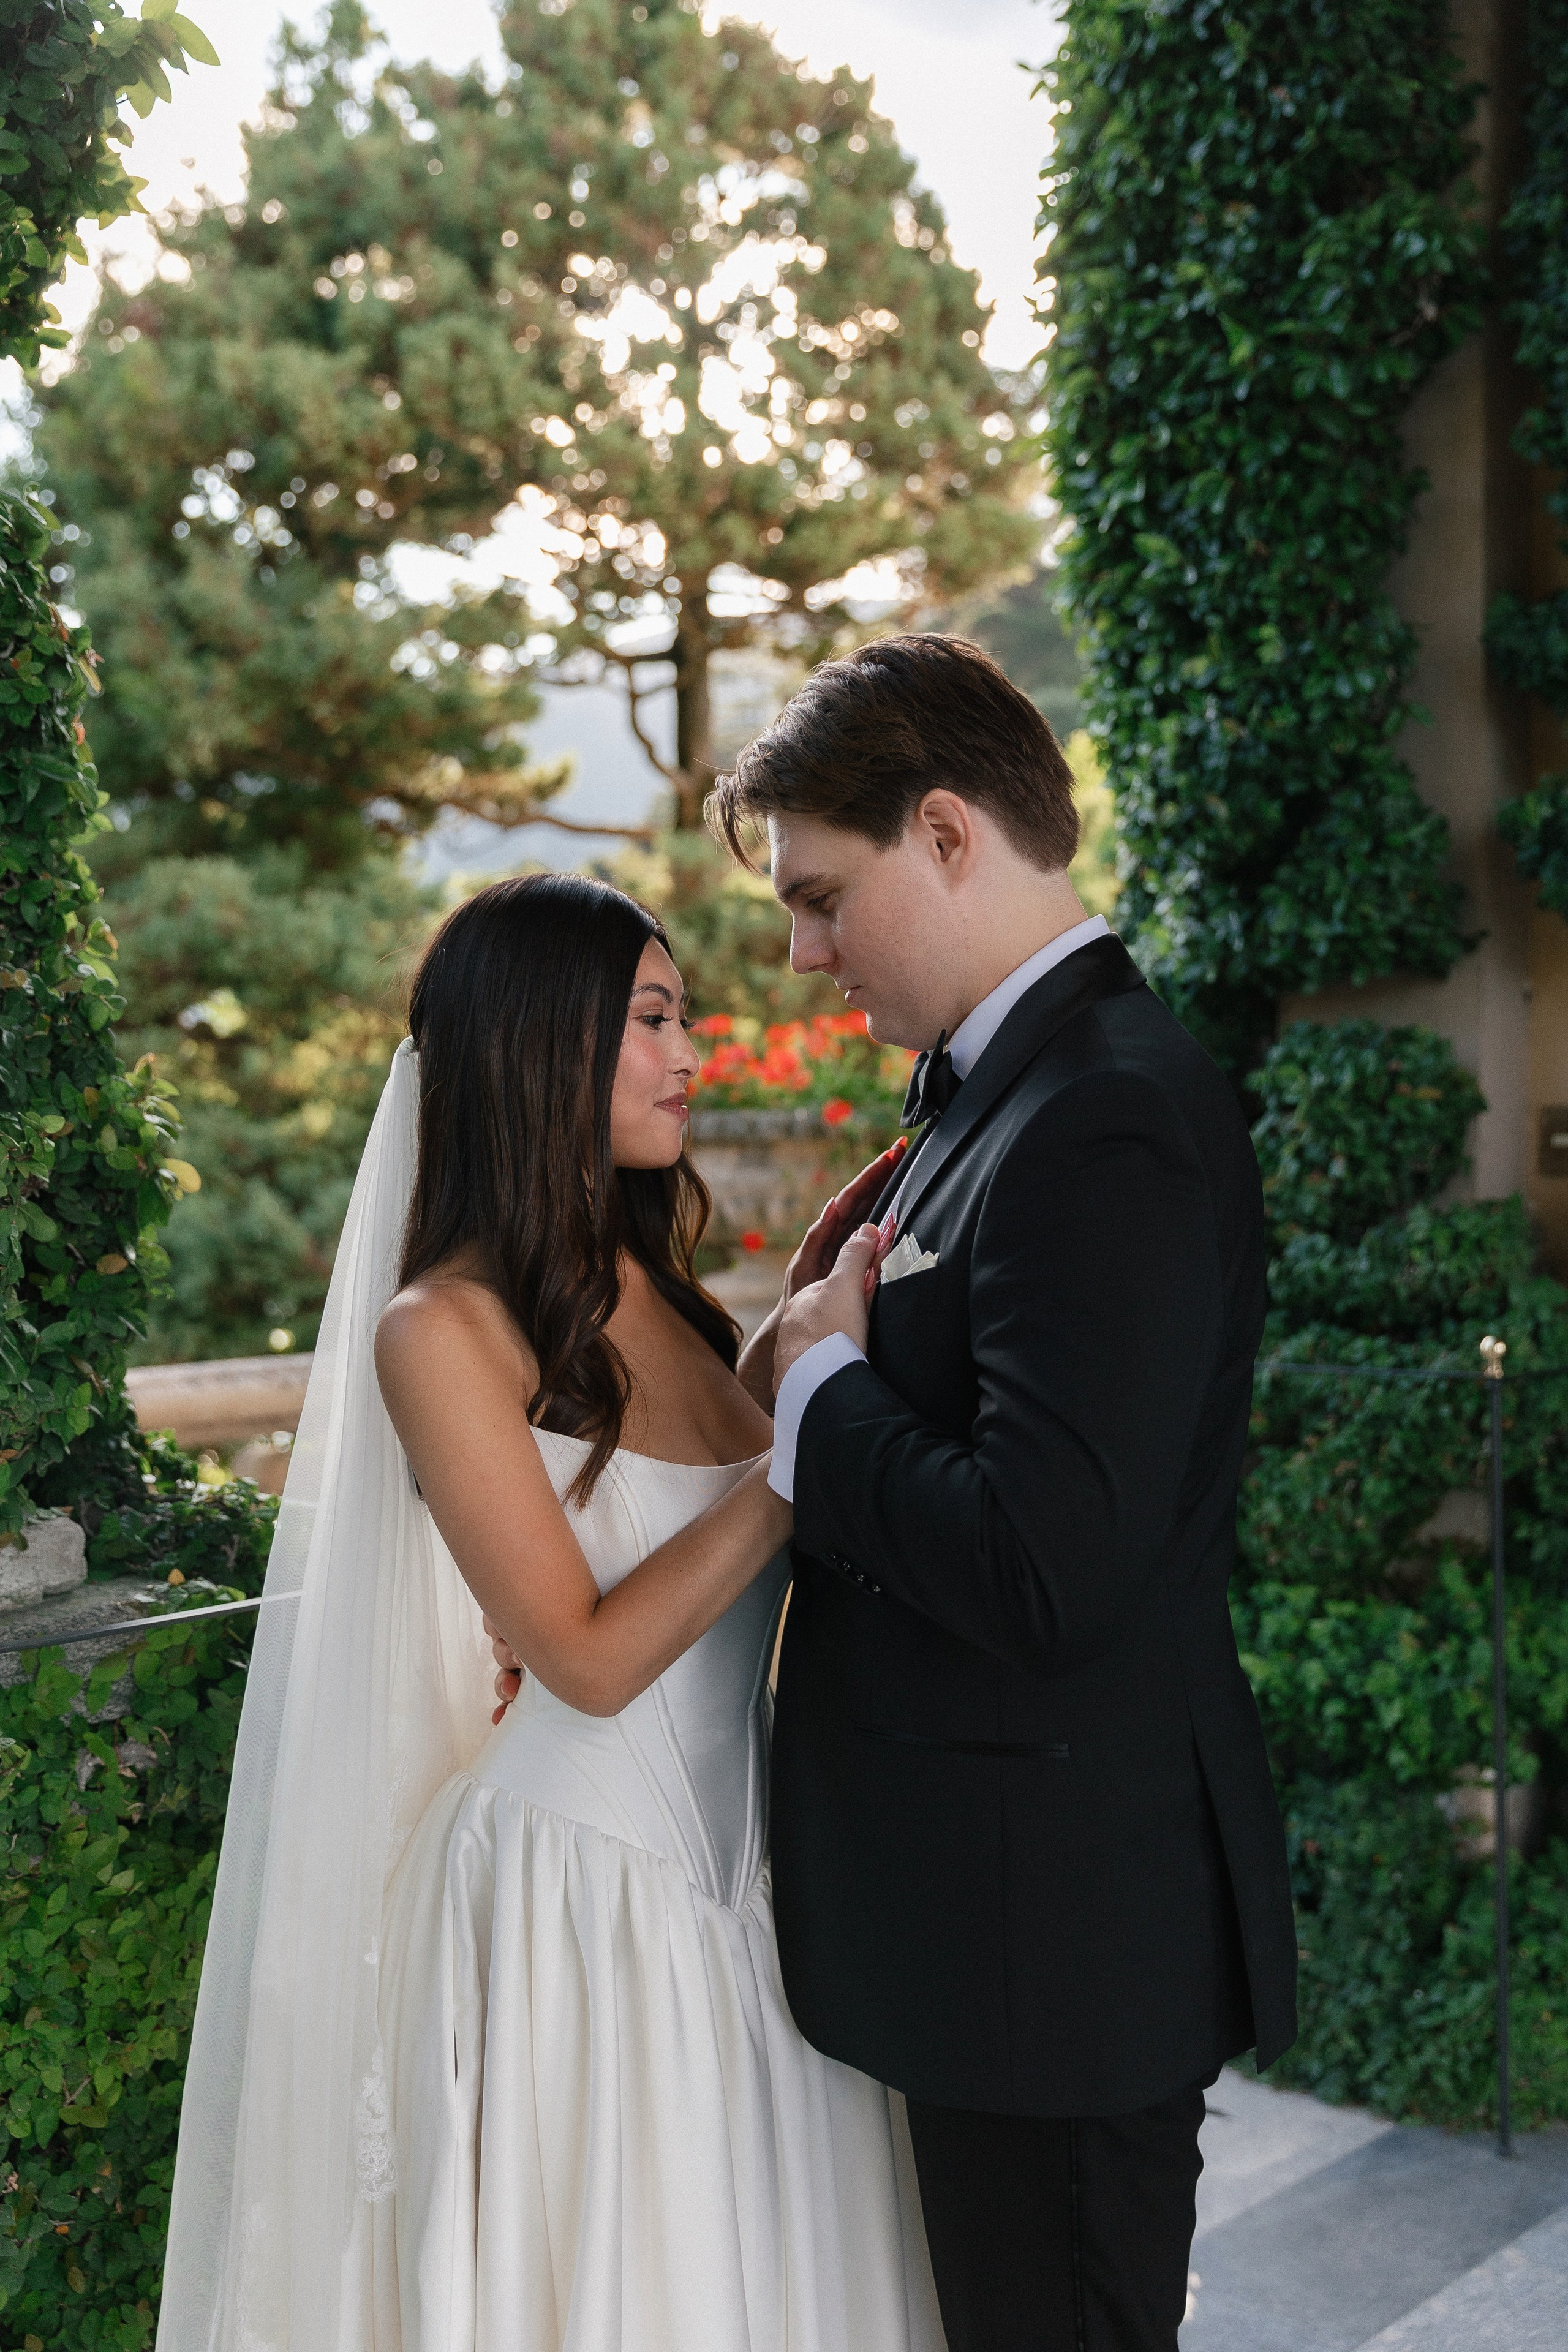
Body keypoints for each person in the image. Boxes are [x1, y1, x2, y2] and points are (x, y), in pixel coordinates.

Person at [156, 874, 944, 2352]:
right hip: (575, 1907)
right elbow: (581, 1657)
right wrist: (802, 1457)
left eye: (684, 1017)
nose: (689, 1053)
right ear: (538, 1040)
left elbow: (715, 1521)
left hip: (751, 1897)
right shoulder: (436, 1329)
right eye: (651, 1017)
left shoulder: (670, 1293)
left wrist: (797, 1340)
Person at [699, 634, 1300, 2352]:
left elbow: (1048, 1564)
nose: (803, 952)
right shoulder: (997, 1090)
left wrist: (820, 1384)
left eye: (822, 897)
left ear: (948, 835)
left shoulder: (1103, 1113)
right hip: (997, 1934)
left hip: (1057, 1951)